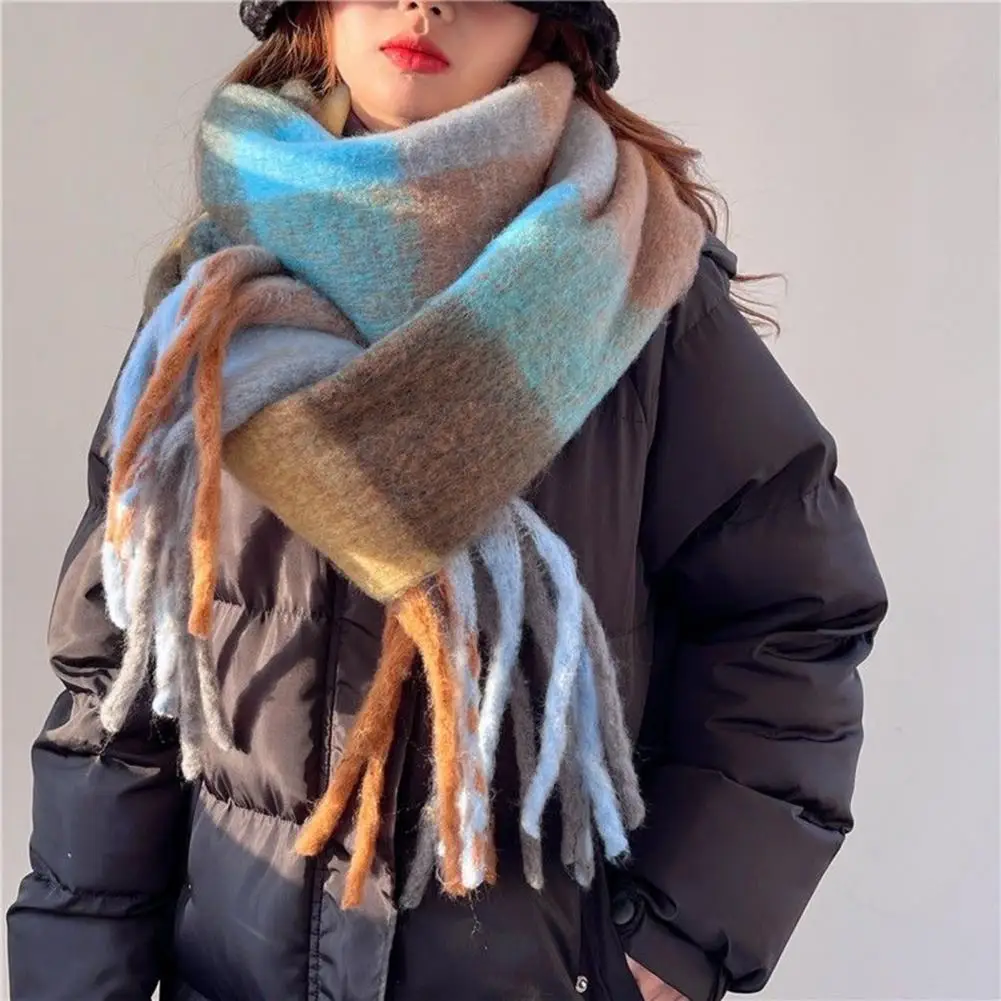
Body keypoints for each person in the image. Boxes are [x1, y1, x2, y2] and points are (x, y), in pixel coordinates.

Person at [5, 3, 889, 1001]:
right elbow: (119, 681)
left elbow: (792, 615)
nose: (424, 3)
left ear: (545, 25)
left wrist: (673, 940)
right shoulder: (208, 311)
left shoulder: (635, 298)